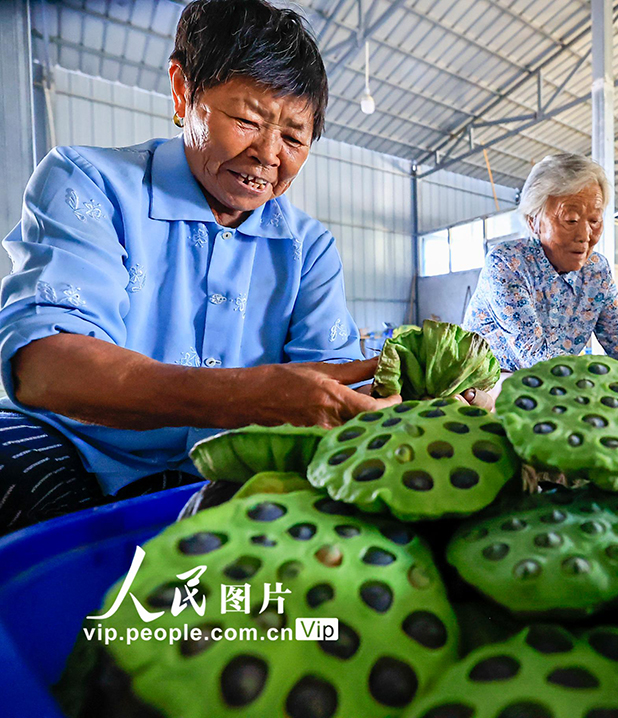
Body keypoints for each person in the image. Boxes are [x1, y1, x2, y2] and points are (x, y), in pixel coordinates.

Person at [0, 0, 401, 534]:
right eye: (247, 120)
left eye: (294, 137)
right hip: (85, 457)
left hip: (235, 472)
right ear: (183, 91)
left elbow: (331, 391)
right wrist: (247, 396)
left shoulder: (310, 248)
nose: (268, 154)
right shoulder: (88, 183)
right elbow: (45, 367)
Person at [464, 153, 618, 371]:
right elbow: (536, 358)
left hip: (554, 389)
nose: (585, 236)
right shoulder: (508, 264)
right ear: (533, 221)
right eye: (570, 220)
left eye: (594, 221)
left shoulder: (595, 270)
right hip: (483, 390)